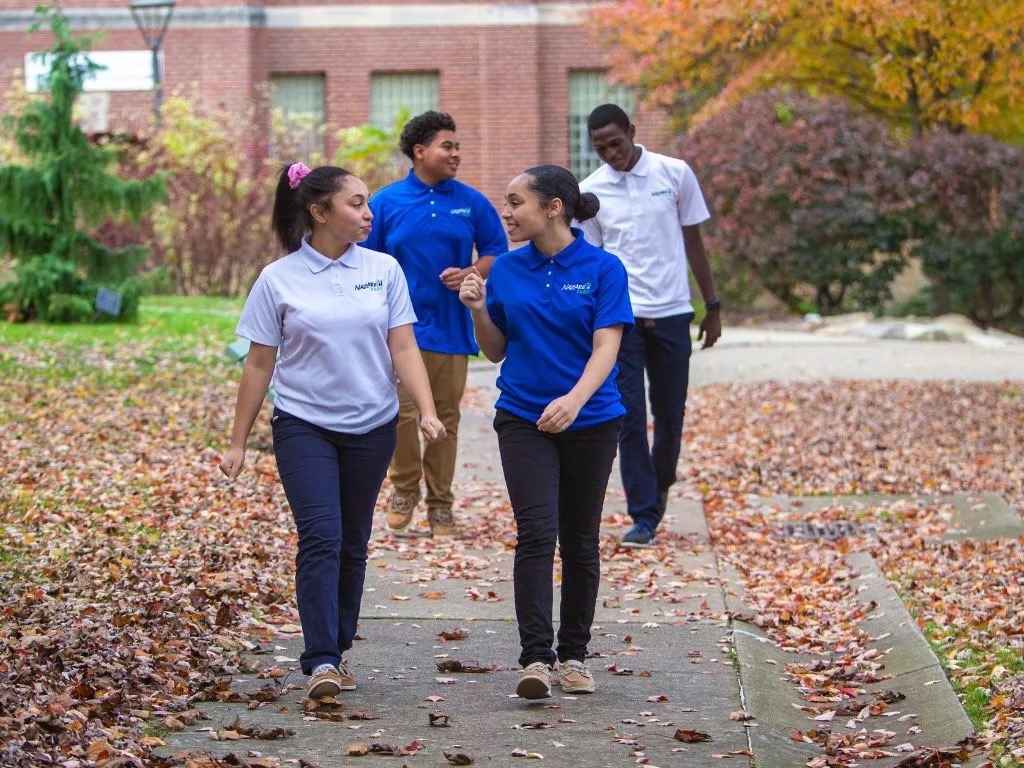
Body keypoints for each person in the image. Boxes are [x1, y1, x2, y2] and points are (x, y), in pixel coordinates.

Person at [220, 162, 446, 700]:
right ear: (319, 213)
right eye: (356, 204)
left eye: (368, 203)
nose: (368, 213)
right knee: (321, 536)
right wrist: (236, 441)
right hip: (304, 426)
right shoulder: (279, 279)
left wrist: (428, 409)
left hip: (372, 425)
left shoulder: (384, 270)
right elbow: (258, 364)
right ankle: (320, 658)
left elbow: (404, 346)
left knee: (352, 542)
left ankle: (338, 647)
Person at [458, 165, 633, 699]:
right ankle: (536, 657)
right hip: (523, 419)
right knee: (536, 533)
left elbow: (607, 345)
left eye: (515, 202)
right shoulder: (507, 271)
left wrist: (574, 401)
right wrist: (479, 309)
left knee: (580, 540)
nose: (505, 213)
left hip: (593, 420)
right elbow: (496, 351)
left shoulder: (603, 268)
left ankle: (575, 656)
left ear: (553, 206)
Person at [578, 104, 722, 548]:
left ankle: (658, 489)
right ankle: (644, 514)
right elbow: (596, 262)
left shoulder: (674, 174)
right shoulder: (592, 192)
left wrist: (712, 305)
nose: (610, 154)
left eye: (616, 143)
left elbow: (693, 241)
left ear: (632, 133)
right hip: (623, 320)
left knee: (670, 415)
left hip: (674, 312)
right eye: (601, 148)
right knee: (628, 418)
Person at [363, 110, 507, 538]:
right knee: (402, 415)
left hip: (450, 329)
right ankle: (404, 488)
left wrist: (471, 272)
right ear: (420, 151)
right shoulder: (385, 203)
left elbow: (496, 251)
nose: (456, 153)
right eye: (448, 146)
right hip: (398, 332)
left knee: (445, 417)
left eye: (457, 146)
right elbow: (364, 262)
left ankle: (441, 505)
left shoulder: (471, 201)